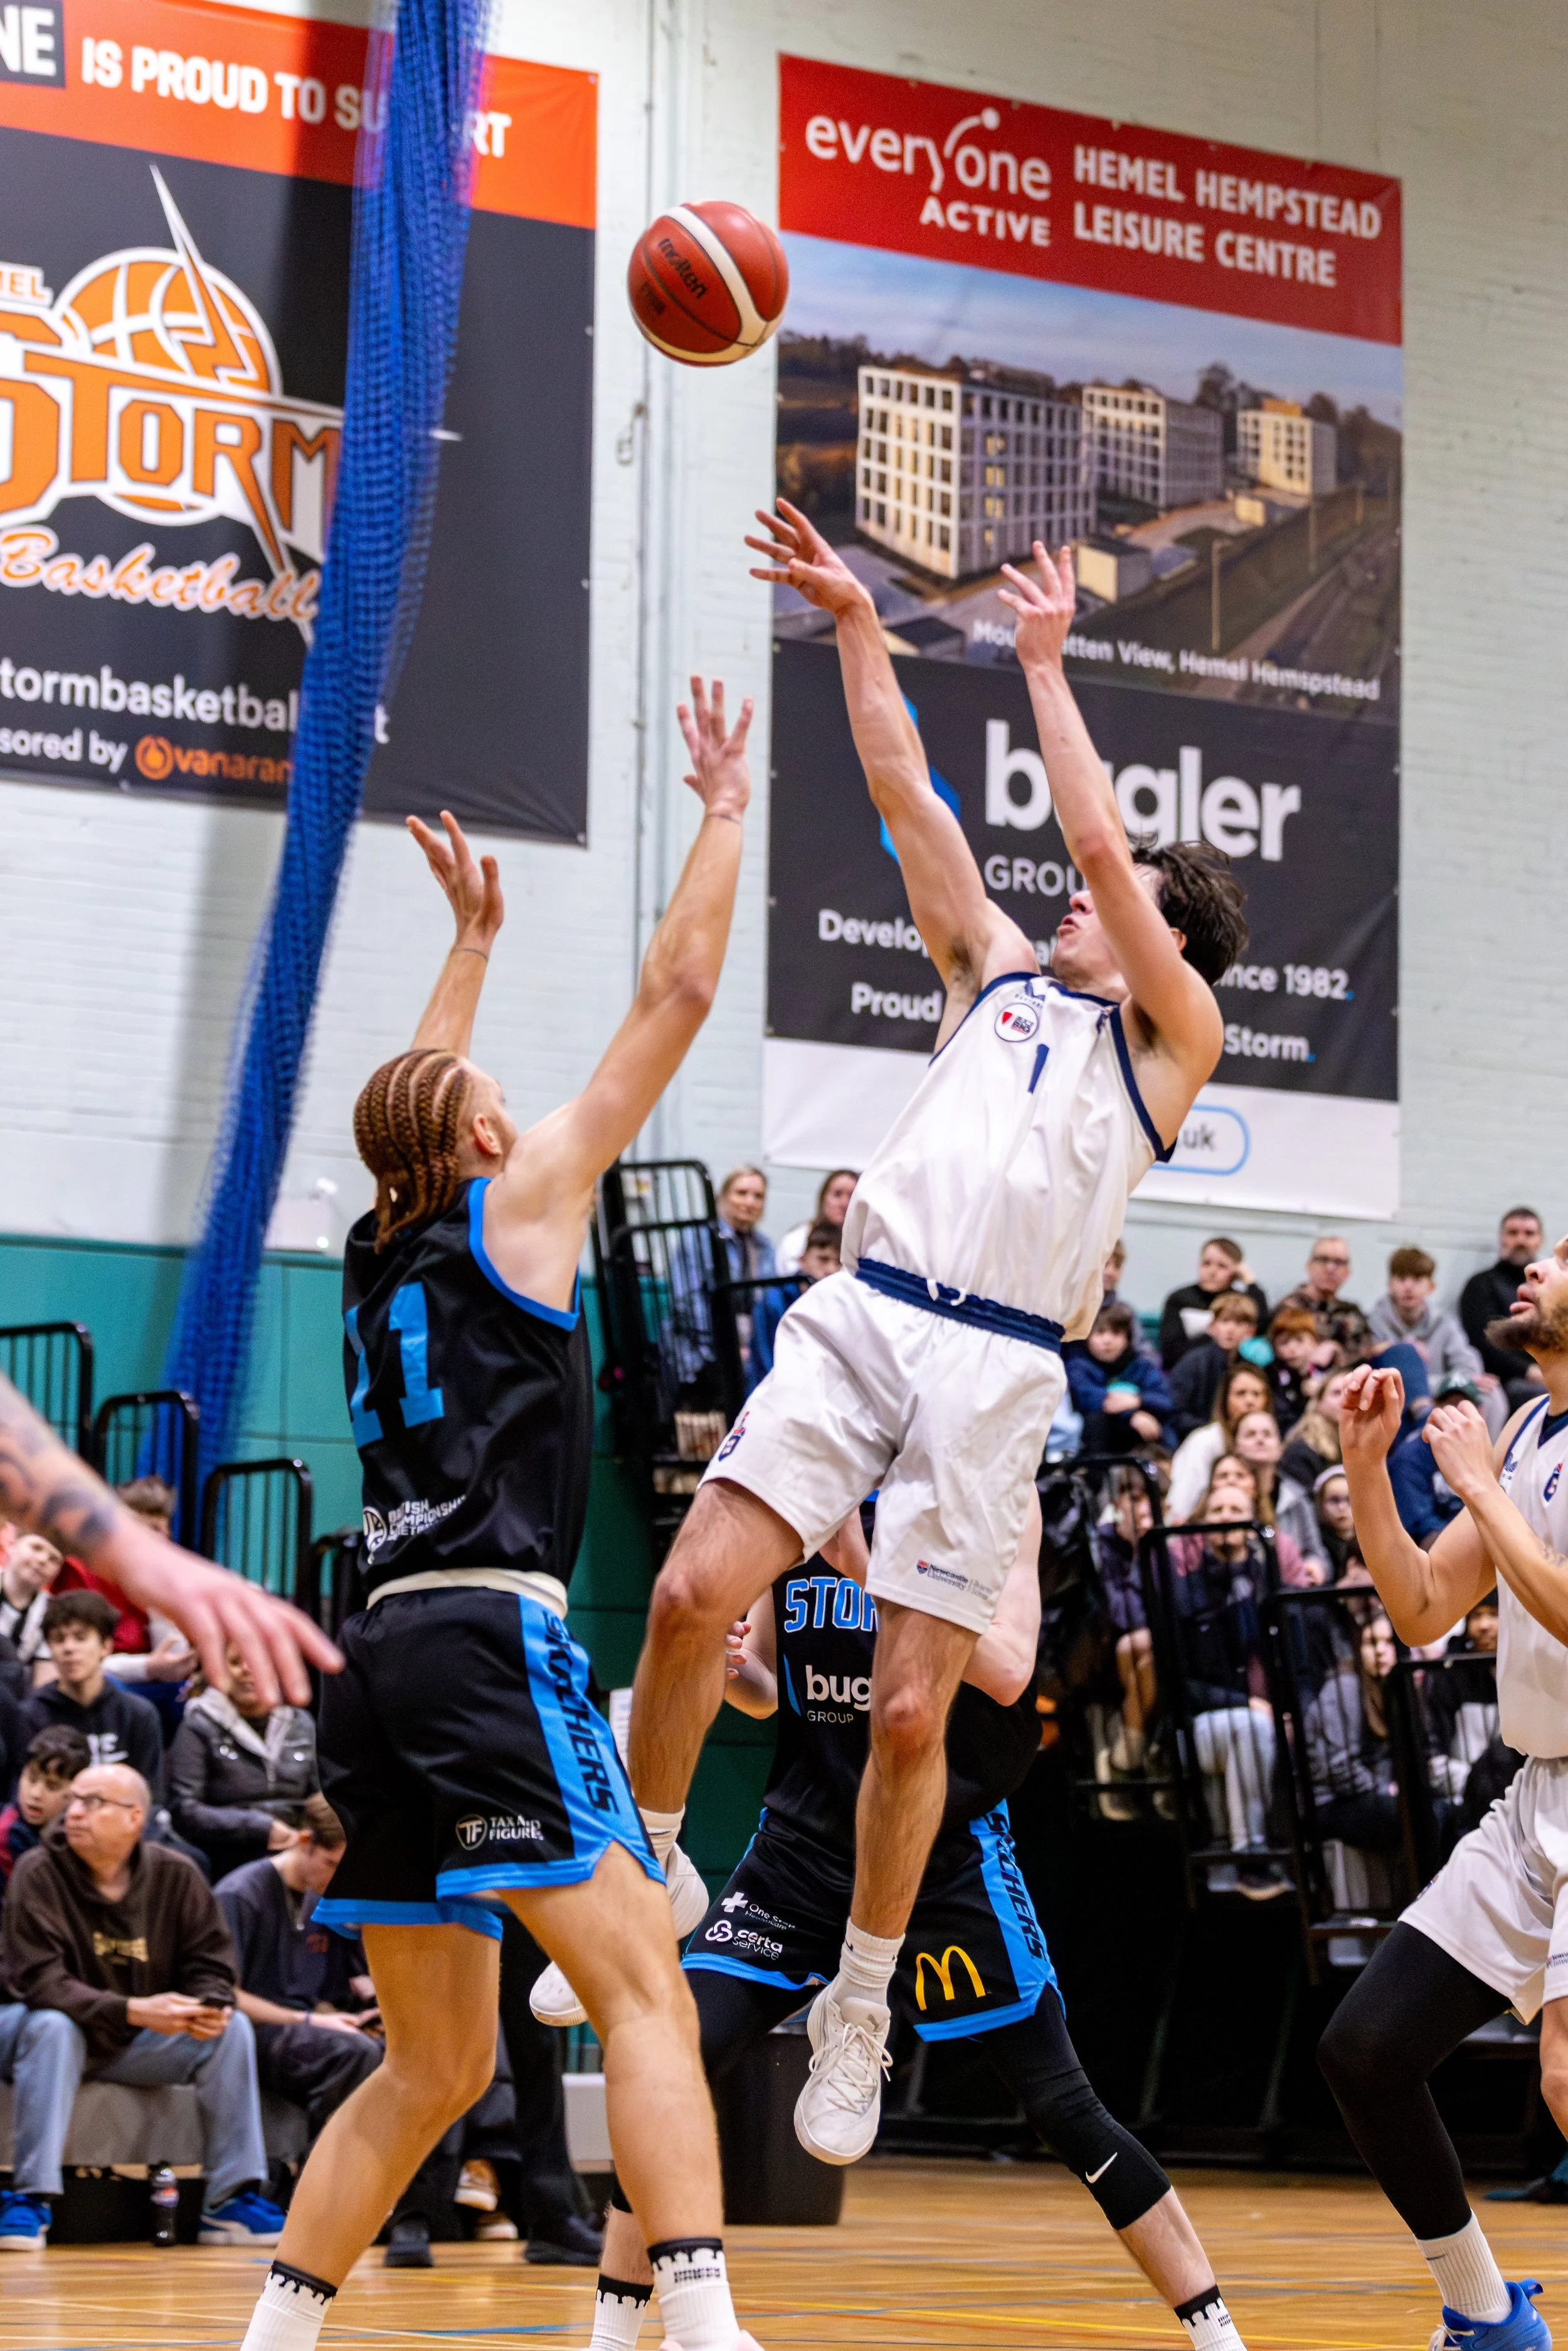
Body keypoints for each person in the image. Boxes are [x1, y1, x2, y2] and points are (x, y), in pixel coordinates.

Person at [605, 507, 1244, 2165]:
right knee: (687, 1591)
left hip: (996, 1364)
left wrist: (1043, 667)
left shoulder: (1171, 1040)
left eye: (1119, 904)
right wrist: (852, 629)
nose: (1078, 901)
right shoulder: (999, 979)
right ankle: (653, 1856)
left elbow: (1104, 849)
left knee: (908, 1719)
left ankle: (863, 1999)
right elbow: (909, 803)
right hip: (865, 1308)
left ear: (1164, 941)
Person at [239, 693, 770, 2351]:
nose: (503, 1092)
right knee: (642, 1992)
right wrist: (725, 810)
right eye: (483, 1086)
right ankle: (697, 2324)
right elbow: (675, 993)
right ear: (479, 1134)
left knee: (437, 2061)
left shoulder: (376, 1252)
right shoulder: (520, 1200)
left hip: (377, 1645)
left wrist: (465, 940)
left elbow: (409, 1100)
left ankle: (274, 2334)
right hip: (486, 1630)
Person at [586, 1507, 1253, 2351]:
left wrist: (864, 1566)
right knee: (671, 2052)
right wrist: (728, 1669)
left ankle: (1217, 2334)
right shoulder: (805, 1474)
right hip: (804, 1847)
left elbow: (1010, 1672)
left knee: (1061, 2100)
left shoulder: (981, 1485)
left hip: (946, 1852)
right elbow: (762, 1684)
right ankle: (610, 2339)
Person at [1320, 1228, 1568, 2351]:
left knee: (1566, 2073)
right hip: (1537, 1795)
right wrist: (1371, 1468)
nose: (1533, 1272)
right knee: (1367, 2048)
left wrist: (1474, 1482)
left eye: (1558, 1260)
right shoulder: (1525, 1427)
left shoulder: (1497, 1453)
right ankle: (1486, 2313)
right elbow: (1422, 1604)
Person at [0, 1762, 284, 2250]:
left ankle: (228, 2202)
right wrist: (134, 2010)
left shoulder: (177, 1874)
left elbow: (213, 1964)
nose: (76, 1812)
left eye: (93, 1802)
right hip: (30, 2028)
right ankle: (31, 2198)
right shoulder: (39, 1871)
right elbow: (41, 1983)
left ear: (134, 1818)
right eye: (74, 1801)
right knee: (52, 2026)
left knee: (230, 2028)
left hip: (124, 2039)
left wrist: (207, 2006)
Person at [1167, 1479, 1287, 1898]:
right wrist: (1246, 1702)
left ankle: (1253, 1862)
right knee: (1252, 1726)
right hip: (1199, 1726)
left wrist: (1291, 1710)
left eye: (1235, 1510)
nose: (1226, 1519)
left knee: (1263, 1727)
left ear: (1252, 1519)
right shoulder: (1188, 1588)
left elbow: (1296, 1660)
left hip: (1260, 1716)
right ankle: (1250, 1857)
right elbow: (1181, 1682)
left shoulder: (1266, 1581)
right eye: (1216, 1511)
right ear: (1202, 1524)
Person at [168, 1643, 319, 1881]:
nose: (248, 1670)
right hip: (229, 1851)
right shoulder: (198, 1724)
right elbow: (184, 1810)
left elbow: (319, 1797)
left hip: (297, 1845)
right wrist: (260, 1828)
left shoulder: (302, 1722)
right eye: (236, 1662)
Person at [21, 1591, 164, 1789]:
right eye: (59, 1639)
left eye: (80, 1638)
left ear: (105, 1646)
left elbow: (151, 1797)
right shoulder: (30, 1715)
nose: (69, 1648)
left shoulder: (138, 1715)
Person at [1460, 1208, 1548, 1412]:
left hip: (1548, 1373)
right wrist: (1531, 1371)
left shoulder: (1549, 1288)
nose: (1521, 1240)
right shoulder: (1480, 1285)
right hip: (1503, 1381)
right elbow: (1484, 1343)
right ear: (1502, 1239)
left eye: (1529, 1234)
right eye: (1513, 1233)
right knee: (1540, 1397)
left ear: (1540, 1241)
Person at [1165, 1362, 1275, 1524]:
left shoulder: (1269, 1440)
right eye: (1241, 1394)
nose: (1250, 1401)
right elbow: (1184, 1495)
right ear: (1225, 1401)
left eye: (1257, 1394)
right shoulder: (1204, 1441)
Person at [1370, 1248, 1486, 1393]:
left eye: (1417, 1280)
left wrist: (1441, 1385)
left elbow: (1468, 1368)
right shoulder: (1374, 1322)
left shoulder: (1445, 1323)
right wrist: (1404, 1349)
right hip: (1392, 1395)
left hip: (1440, 1397)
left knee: (1492, 1394)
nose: (1408, 1287)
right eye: (1401, 1279)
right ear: (1390, 1285)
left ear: (1431, 1287)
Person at [1066, 1301, 1173, 1455]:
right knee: (1097, 1421)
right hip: (1098, 1440)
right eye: (1100, 1333)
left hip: (1142, 1436)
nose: (1107, 1340)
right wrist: (1130, 1415)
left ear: (1127, 1339)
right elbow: (1087, 1398)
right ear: (1087, 1338)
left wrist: (1138, 1401)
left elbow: (1166, 1401)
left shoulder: (1142, 1366)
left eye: (1116, 1333)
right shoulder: (1078, 1366)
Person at [750, 1222, 839, 1387]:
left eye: (839, 1263)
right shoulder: (773, 1303)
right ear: (803, 1260)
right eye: (823, 1259)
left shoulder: (841, 1308)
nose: (831, 1270)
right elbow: (767, 1367)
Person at [1157, 1239, 1268, 1372]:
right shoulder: (1180, 1298)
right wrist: (1215, 1336)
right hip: (1188, 1369)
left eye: (1222, 1266)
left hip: (1232, 1370)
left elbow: (1260, 1326)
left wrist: (1250, 1281)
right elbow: (1171, 1352)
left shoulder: (1239, 1301)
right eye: (1206, 1264)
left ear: (1235, 1272)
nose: (1212, 1271)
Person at [1166, 1292, 1261, 1440]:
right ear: (1212, 1327)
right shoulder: (1193, 1363)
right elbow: (1175, 1413)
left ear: (1251, 1332)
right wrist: (1214, 1430)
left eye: (1239, 1323)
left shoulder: (1252, 1369)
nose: (1231, 1329)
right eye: (1225, 1321)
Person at [0, 1726, 89, 1883]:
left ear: (76, 1790)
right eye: (31, 1779)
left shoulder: (86, 1826)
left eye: (52, 1786)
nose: (35, 1794)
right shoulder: (7, 1835)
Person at [1276, 1238, 1372, 1362]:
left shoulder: (1352, 1312)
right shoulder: (1289, 1309)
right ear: (1309, 1266)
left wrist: (1337, 1350)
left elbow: (1362, 1356)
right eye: (1323, 1260)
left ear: (1347, 1272)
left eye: (1339, 1262)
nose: (1330, 1268)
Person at [1278, 1368, 1353, 1493]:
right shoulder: (1302, 1452)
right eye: (1336, 1393)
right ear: (1318, 1402)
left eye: (1351, 1393)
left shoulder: (1361, 1447)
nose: (1345, 1399)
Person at [0, 1532, 61, 1685]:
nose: (42, 1560)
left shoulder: (53, 1612)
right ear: (11, 1546)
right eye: (36, 1548)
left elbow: (44, 1683)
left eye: (53, 1559)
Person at [775, 1169, 857, 1277]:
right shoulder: (797, 1240)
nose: (845, 1203)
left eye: (852, 1196)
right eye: (837, 1194)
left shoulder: (864, 1246)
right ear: (823, 1198)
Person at [1264, 1305, 1321, 1431]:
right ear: (1275, 1348)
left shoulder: (1325, 1372)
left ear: (1315, 1342)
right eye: (1284, 1342)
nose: (1292, 1348)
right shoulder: (1271, 1375)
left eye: (1299, 1340)